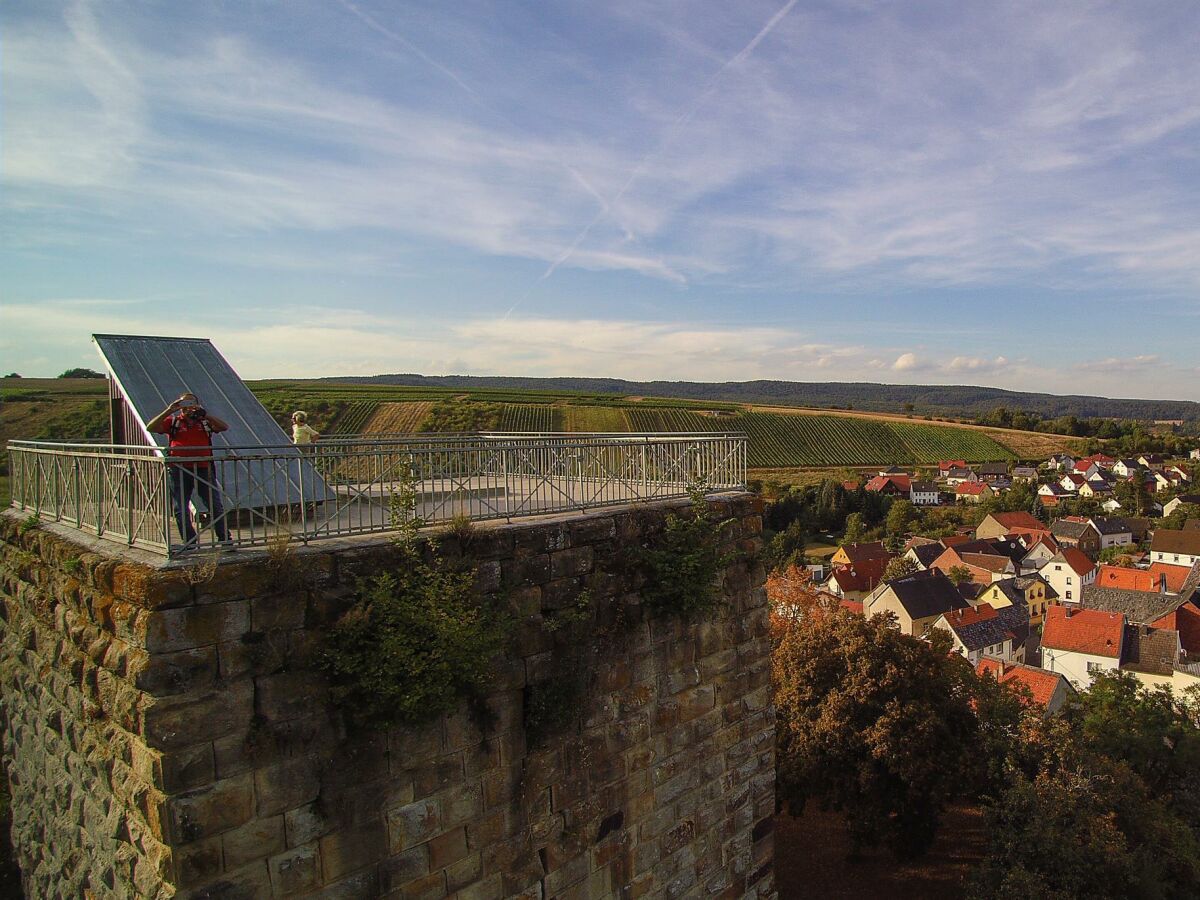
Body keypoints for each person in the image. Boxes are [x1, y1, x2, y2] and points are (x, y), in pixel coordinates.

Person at [147, 393, 233, 548]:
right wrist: (169, 410)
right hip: (178, 469)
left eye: (192, 403)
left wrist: (205, 415)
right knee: (180, 506)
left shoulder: (204, 422)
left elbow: (224, 427)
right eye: (184, 403)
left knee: (215, 505)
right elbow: (151, 427)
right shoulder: (174, 422)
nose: (188, 407)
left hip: (203, 468)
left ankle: (225, 538)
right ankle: (190, 541)